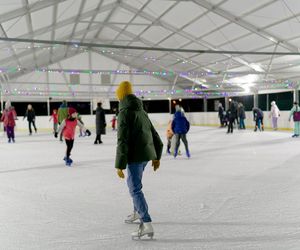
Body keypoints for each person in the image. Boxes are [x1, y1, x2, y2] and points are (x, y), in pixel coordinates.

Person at [114, 81, 163, 240]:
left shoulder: (124, 112)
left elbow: (122, 140)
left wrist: (119, 165)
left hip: (135, 156)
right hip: (146, 156)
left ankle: (146, 223)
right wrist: (157, 156)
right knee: (136, 185)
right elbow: (154, 134)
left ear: (121, 95)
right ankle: (137, 212)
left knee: (135, 188)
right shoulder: (141, 111)